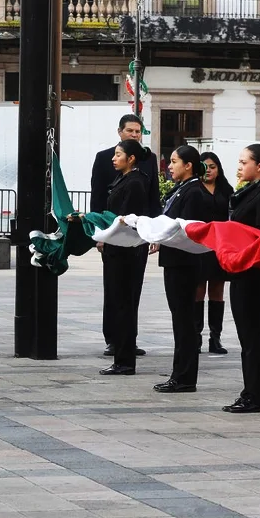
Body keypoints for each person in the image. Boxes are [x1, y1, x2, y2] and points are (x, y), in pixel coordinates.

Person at [90, 114, 161, 357]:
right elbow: (98, 197)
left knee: (133, 287)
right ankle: (113, 337)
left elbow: (153, 197)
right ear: (120, 132)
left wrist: (154, 233)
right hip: (112, 234)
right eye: (130, 130)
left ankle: (129, 337)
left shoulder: (148, 160)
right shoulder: (105, 159)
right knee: (113, 287)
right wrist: (99, 233)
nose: (134, 134)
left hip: (138, 233)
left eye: (138, 131)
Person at [224, 144, 260, 413]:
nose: (239, 166)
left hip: (255, 273)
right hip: (241, 270)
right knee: (246, 336)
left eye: (244, 161)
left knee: (252, 335)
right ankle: (250, 391)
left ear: (259, 166)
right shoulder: (248, 191)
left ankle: (257, 396)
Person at [98, 139, 152, 376]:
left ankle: (125, 360)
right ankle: (121, 356)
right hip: (115, 250)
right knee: (116, 302)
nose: (113, 158)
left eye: (118, 154)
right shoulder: (123, 179)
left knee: (124, 305)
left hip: (126, 252)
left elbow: (127, 220)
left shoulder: (136, 183)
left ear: (131, 159)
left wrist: (108, 233)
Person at [155, 144, 205, 392]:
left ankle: (185, 376)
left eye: (174, 161)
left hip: (184, 262)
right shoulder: (181, 189)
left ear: (188, 165)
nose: (170, 166)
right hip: (173, 260)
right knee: (179, 319)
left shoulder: (194, 191)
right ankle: (180, 372)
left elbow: (186, 230)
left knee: (185, 320)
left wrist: (161, 235)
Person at [195, 151, 234, 355]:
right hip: (200, 245)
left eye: (213, 166)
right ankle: (196, 336)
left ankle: (215, 337)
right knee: (199, 289)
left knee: (217, 291)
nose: (209, 170)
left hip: (219, 245)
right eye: (205, 166)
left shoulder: (227, 190)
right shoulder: (193, 188)